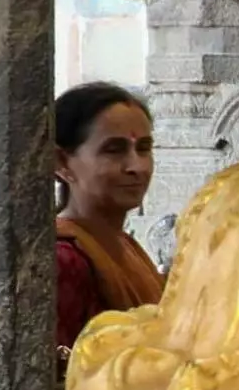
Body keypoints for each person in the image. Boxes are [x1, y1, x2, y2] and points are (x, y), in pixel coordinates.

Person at [53, 82, 163, 358]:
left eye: (144, 148)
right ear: (61, 162)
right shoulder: (64, 259)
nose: (136, 166)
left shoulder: (126, 246)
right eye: (114, 150)